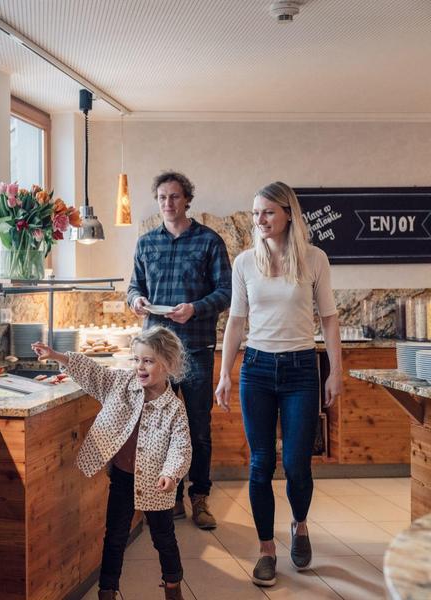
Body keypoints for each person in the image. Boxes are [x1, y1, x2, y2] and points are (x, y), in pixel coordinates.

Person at [214, 181, 343, 587]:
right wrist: (224, 374)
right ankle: (267, 549)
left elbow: (329, 319)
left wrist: (335, 371)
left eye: (268, 212)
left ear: (289, 213)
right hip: (256, 369)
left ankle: (300, 526)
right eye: (255, 213)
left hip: (302, 369)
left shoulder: (314, 259)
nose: (260, 220)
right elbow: (236, 321)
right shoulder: (245, 263)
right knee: (260, 464)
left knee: (297, 465)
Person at [32, 326, 191, 600]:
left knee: (163, 537)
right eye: (136, 359)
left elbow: (181, 446)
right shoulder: (121, 384)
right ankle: (107, 590)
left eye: (148, 361)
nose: (139, 367)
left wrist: (171, 473)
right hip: (122, 477)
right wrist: (57, 355)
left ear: (169, 364)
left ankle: (173, 585)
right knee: (115, 536)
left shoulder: (174, 408)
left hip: (157, 483)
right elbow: (92, 372)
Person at [127, 171, 232, 529]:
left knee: (198, 428)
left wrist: (195, 308)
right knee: (159, 428)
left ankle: (200, 498)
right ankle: (168, 495)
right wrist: (137, 300)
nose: (168, 204)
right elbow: (133, 288)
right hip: (155, 354)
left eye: (174, 197)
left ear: (187, 200)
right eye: (161, 198)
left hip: (196, 348)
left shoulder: (209, 242)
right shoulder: (145, 244)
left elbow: (225, 293)